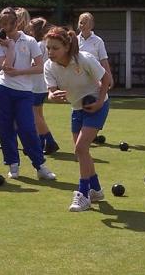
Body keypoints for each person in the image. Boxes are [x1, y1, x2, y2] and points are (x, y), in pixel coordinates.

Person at [44, 26, 110, 212]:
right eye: (48, 48)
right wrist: (53, 96)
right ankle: (96, 189)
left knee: (80, 148)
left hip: (97, 105)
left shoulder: (84, 59)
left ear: (66, 47)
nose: (50, 52)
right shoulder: (49, 66)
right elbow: (50, 92)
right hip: (77, 108)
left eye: (55, 48)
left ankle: (83, 194)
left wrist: (98, 102)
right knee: (82, 152)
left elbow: (107, 80)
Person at [0, 7, 56, 180]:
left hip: (25, 92)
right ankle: (13, 165)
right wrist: (10, 46)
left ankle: (40, 166)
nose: (5, 27)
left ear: (16, 22)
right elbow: (6, 67)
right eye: (2, 23)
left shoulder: (30, 41)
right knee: (5, 128)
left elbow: (40, 67)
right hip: (3, 89)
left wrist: (20, 72)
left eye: (8, 23)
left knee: (27, 128)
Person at [26, 17, 60, 155]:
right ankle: (40, 142)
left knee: (35, 115)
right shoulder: (46, 43)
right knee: (38, 114)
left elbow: (36, 64)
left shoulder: (39, 45)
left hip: (36, 84)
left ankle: (50, 141)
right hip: (42, 84)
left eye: (30, 28)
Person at [77, 12, 114, 88]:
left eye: (85, 23)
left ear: (91, 25)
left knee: (98, 98)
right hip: (79, 76)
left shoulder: (98, 41)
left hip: (95, 76)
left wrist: (109, 77)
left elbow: (104, 61)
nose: (82, 25)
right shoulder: (74, 40)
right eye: (81, 23)